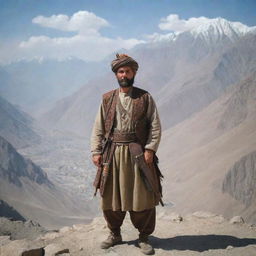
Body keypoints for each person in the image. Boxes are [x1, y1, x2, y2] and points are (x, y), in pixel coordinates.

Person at [90, 53, 163, 255]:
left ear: (134, 73)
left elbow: (155, 126)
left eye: (127, 71)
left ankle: (144, 237)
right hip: (112, 154)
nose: (124, 74)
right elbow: (98, 127)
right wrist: (96, 151)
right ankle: (115, 233)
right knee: (110, 195)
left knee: (143, 196)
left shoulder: (145, 97)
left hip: (138, 154)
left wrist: (150, 148)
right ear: (116, 74)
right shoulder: (107, 99)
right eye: (120, 71)